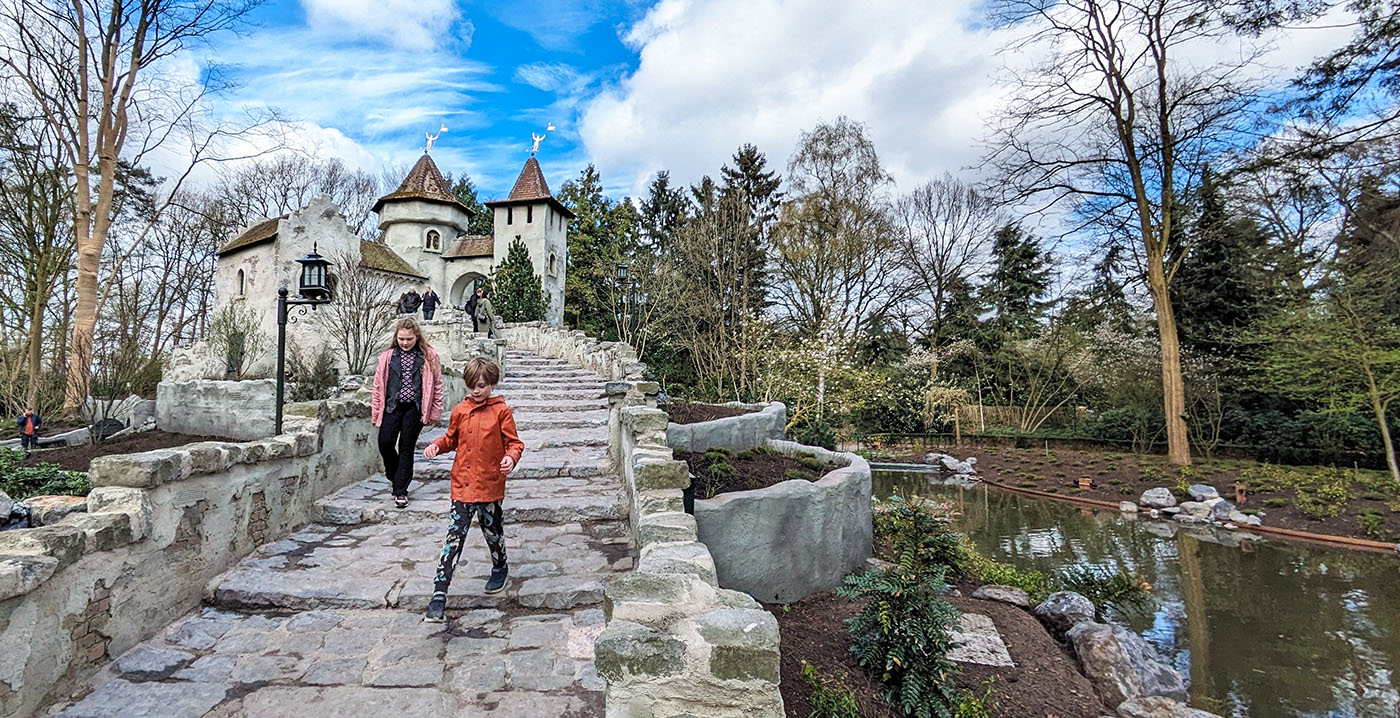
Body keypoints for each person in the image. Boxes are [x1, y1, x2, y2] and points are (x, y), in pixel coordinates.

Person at [422, 357, 523, 622]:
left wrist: (510, 458)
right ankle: (439, 594)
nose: (476, 391)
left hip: (489, 485)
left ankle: (500, 566)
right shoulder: (460, 411)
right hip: (462, 486)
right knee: (454, 539)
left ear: (491, 384)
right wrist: (437, 445)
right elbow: (451, 438)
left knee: (492, 531)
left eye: (481, 386)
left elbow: (514, 443)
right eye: (471, 386)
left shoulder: (501, 412)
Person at [370, 317, 444, 508]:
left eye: (409, 339)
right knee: (385, 442)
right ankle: (395, 475)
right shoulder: (387, 357)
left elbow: (437, 384)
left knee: (406, 447)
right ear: (396, 338)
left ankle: (400, 491)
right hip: (392, 406)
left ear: (416, 337)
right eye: (401, 339)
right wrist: (376, 411)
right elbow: (378, 386)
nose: (405, 343)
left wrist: (435, 411)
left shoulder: (429, 356)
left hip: (415, 408)